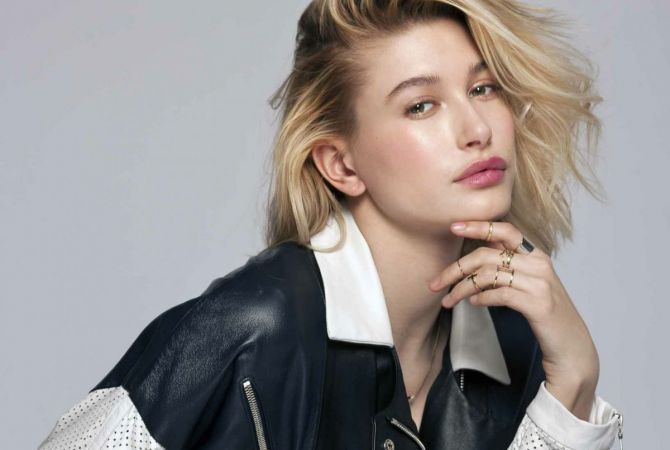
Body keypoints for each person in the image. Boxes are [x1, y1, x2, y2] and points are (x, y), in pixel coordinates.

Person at [38, 0, 625, 449]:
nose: (477, 129)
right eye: (421, 105)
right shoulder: (248, 333)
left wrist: (573, 386)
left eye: (482, 87)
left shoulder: (514, 341)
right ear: (341, 165)